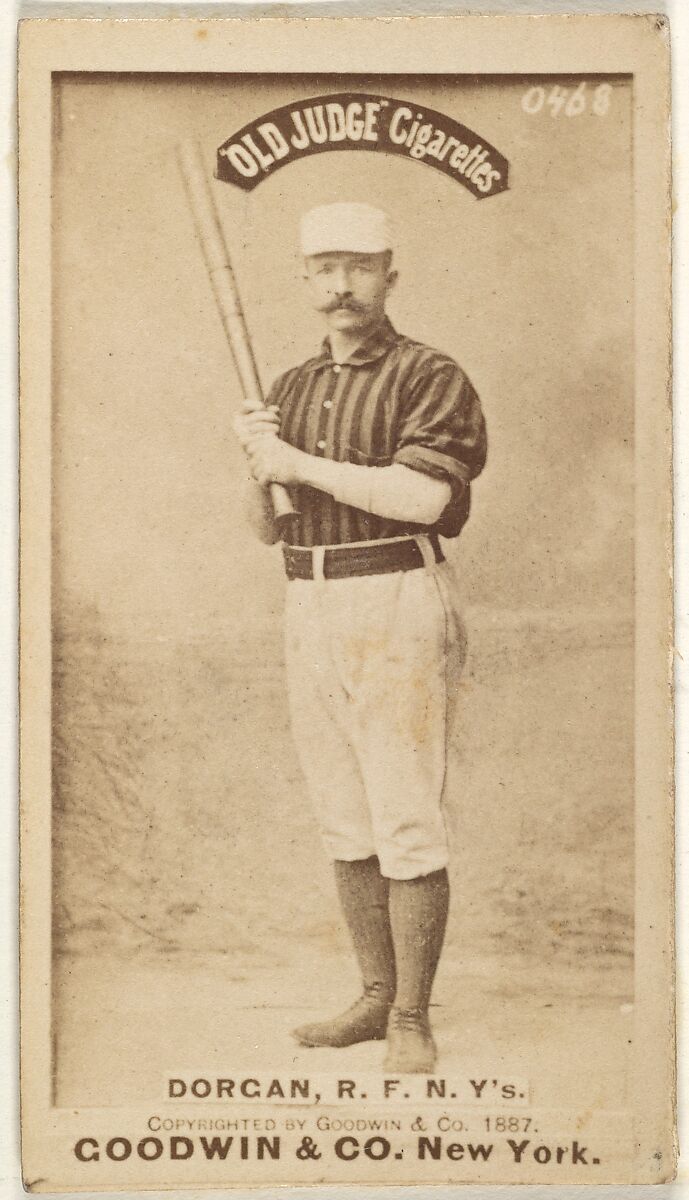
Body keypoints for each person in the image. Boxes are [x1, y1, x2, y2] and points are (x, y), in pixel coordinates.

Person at [233, 202, 487, 1073]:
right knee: (344, 819)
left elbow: (425, 499)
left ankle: (413, 1015)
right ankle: (375, 998)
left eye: (358, 266)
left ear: (389, 274)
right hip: (306, 598)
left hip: (396, 594)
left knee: (404, 813)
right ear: (304, 278)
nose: (340, 285)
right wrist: (256, 458)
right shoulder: (289, 386)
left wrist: (296, 463)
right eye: (324, 268)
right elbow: (266, 528)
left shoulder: (429, 374)